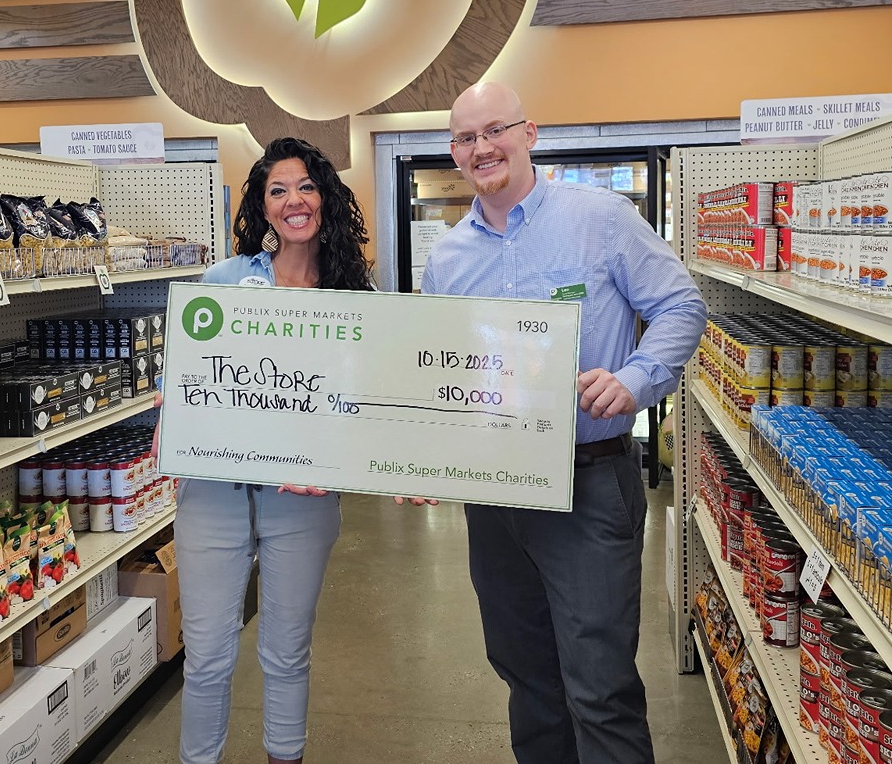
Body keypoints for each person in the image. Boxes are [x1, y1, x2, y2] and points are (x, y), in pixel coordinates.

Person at [413, 82, 707, 764]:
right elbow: (438, 371)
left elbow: (680, 307)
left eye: (495, 130)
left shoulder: (599, 218)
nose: (482, 147)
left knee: (599, 686)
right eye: (465, 138)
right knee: (526, 679)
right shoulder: (449, 259)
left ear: (529, 133)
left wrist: (634, 380)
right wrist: (419, 452)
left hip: (589, 481)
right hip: (493, 495)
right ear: (454, 155)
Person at [173, 136, 373, 764]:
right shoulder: (224, 283)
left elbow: (364, 402)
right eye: (278, 190)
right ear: (262, 208)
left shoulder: (354, 297)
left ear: (326, 199)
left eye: (306, 187)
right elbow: (186, 375)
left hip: (304, 504)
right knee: (206, 655)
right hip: (212, 498)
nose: (294, 201)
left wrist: (341, 459)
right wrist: (171, 406)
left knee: (288, 650)